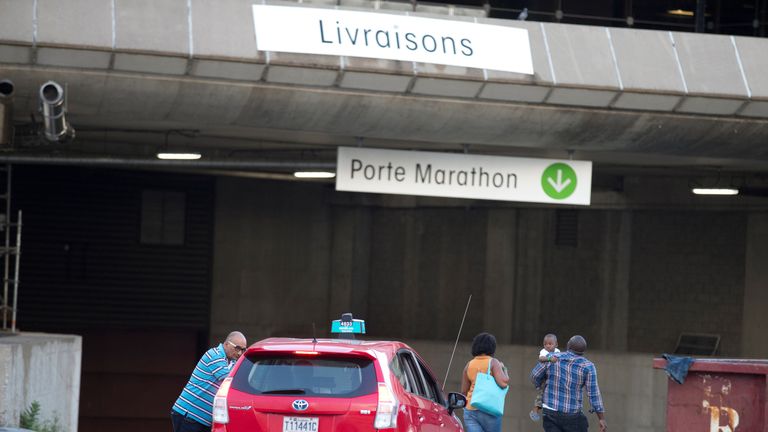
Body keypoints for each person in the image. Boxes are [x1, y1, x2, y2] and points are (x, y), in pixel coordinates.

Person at [171, 331, 247, 432]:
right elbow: (229, 380)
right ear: (226, 344)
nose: (239, 353)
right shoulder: (214, 355)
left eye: (243, 350)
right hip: (189, 415)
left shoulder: (233, 363)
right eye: (237, 348)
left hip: (202, 420)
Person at [530, 335, 606, 432]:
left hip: (550, 411)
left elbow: (534, 376)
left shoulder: (551, 358)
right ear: (583, 351)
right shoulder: (588, 367)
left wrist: (542, 385)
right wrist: (601, 419)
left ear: (568, 345)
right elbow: (594, 394)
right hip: (573, 415)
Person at [461, 332, 509, 432]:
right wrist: (504, 369)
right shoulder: (493, 362)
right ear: (492, 347)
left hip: (470, 410)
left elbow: (464, 391)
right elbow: (503, 383)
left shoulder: (468, 365)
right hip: (489, 409)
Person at [530, 333, 561, 421]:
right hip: (545, 378)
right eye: (545, 344)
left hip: (554, 377)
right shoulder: (544, 352)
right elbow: (541, 359)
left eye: (550, 344)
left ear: (556, 344)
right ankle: (535, 410)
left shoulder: (558, 352)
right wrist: (549, 359)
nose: (547, 346)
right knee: (541, 394)